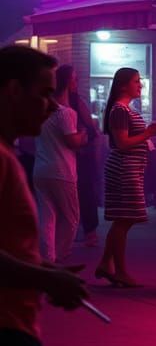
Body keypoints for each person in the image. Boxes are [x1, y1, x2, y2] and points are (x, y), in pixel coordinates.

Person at [1, 45, 90, 346]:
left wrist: (42, 272)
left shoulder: (11, 156)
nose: (51, 105)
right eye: (42, 94)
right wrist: (42, 275)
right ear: (11, 90)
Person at [96, 67, 156, 287]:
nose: (140, 85)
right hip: (124, 169)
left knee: (125, 218)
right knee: (125, 218)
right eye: (135, 81)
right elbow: (122, 142)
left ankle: (106, 263)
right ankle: (120, 270)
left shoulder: (124, 110)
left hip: (131, 168)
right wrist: (148, 133)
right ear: (123, 85)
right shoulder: (120, 111)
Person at [33, 64, 87, 264]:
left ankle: (46, 257)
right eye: (74, 78)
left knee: (47, 217)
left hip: (41, 169)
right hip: (62, 171)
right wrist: (83, 135)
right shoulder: (66, 113)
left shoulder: (42, 111)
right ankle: (59, 256)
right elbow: (72, 141)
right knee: (71, 218)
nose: (76, 82)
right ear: (66, 82)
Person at [67, 69, 100, 246]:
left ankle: (87, 231)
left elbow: (91, 131)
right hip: (74, 155)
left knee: (84, 192)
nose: (76, 83)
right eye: (73, 80)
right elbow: (91, 130)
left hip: (78, 156)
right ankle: (87, 232)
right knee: (81, 193)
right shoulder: (72, 104)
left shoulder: (75, 103)